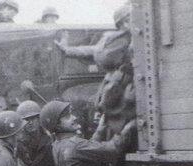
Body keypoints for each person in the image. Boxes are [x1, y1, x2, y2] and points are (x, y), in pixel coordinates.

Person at [55, 3, 134, 136]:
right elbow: (96, 51)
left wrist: (68, 50)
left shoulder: (114, 40)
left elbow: (93, 50)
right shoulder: (126, 39)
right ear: (125, 22)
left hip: (114, 87)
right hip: (123, 87)